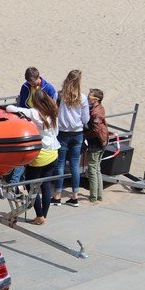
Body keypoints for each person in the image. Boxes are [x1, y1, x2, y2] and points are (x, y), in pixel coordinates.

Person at [5, 91, 59, 225]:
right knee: (46, 185)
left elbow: (10, 108)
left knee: (31, 185)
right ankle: (43, 216)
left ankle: (39, 215)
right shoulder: (53, 112)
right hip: (53, 152)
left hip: (41, 155)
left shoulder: (35, 113)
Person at [7, 68, 59, 183]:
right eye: (30, 82)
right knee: (24, 153)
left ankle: (16, 182)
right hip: (28, 120)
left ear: (38, 78)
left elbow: (53, 106)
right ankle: (16, 182)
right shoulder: (25, 87)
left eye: (33, 82)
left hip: (40, 121)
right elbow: (22, 104)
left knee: (28, 155)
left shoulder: (49, 88)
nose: (31, 84)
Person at [52, 69, 89, 206]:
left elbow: (54, 112)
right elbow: (85, 119)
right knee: (74, 165)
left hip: (63, 133)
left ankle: (57, 195)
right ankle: (75, 196)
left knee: (60, 164)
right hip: (77, 133)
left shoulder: (59, 95)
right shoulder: (82, 97)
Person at [84, 89, 109, 202]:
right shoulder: (100, 108)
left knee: (92, 170)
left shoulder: (95, 113)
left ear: (96, 99)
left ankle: (94, 196)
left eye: (90, 97)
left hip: (96, 143)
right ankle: (99, 195)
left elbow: (95, 130)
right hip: (102, 141)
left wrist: (84, 135)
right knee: (97, 168)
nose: (88, 99)